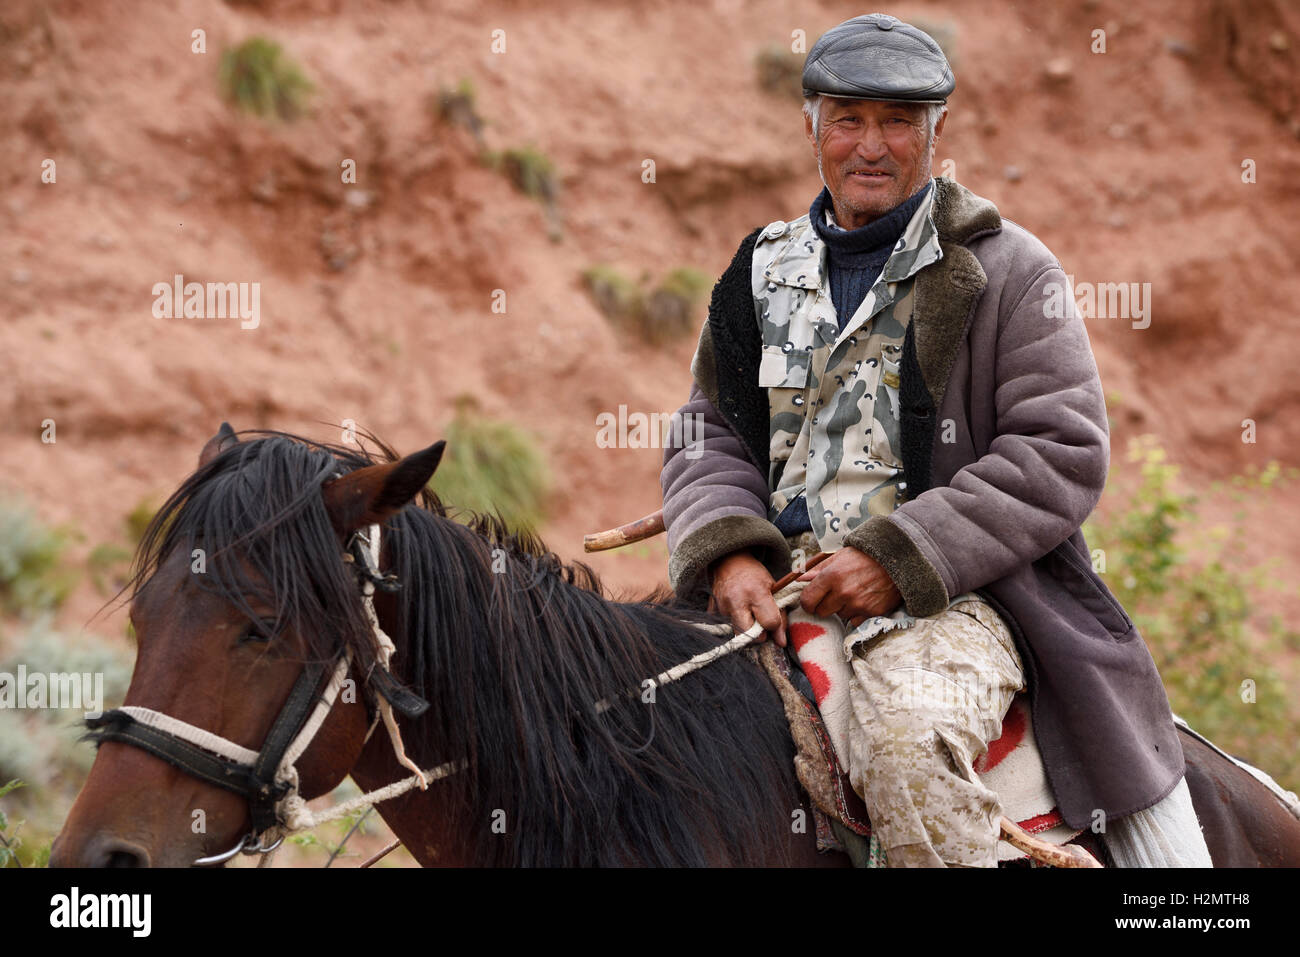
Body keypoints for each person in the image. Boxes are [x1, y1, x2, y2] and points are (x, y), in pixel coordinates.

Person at [660, 13, 1210, 867]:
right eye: (847, 119)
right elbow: (709, 430)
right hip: (783, 587)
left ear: (937, 131)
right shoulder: (759, 273)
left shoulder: (1012, 272)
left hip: (961, 596)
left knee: (909, 744)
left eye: (897, 122)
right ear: (812, 127)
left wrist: (898, 554)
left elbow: (1058, 450)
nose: (870, 146)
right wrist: (730, 554)